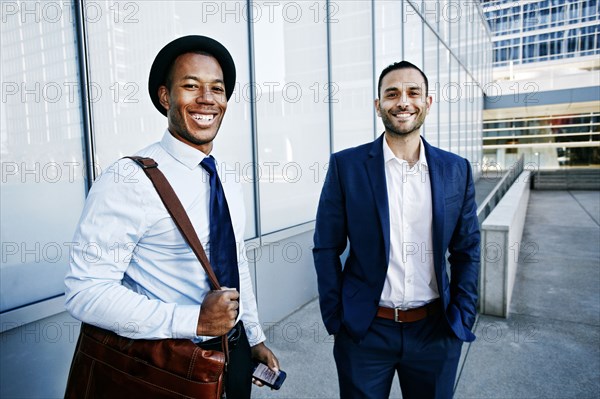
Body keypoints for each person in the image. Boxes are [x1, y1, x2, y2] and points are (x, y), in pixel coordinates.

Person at [65, 35, 279, 398]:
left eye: (217, 88)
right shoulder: (128, 179)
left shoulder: (226, 176)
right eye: (191, 86)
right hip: (171, 362)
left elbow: (235, 262)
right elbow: (85, 292)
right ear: (165, 97)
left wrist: (252, 337)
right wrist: (193, 319)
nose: (207, 99)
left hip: (233, 351)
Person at [312, 61, 480, 399]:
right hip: (365, 332)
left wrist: (462, 314)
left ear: (427, 103)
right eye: (392, 94)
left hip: (436, 331)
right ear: (379, 105)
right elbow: (326, 247)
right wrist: (336, 319)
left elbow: (467, 250)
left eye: (413, 92)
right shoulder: (347, 167)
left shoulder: (456, 170)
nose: (403, 101)